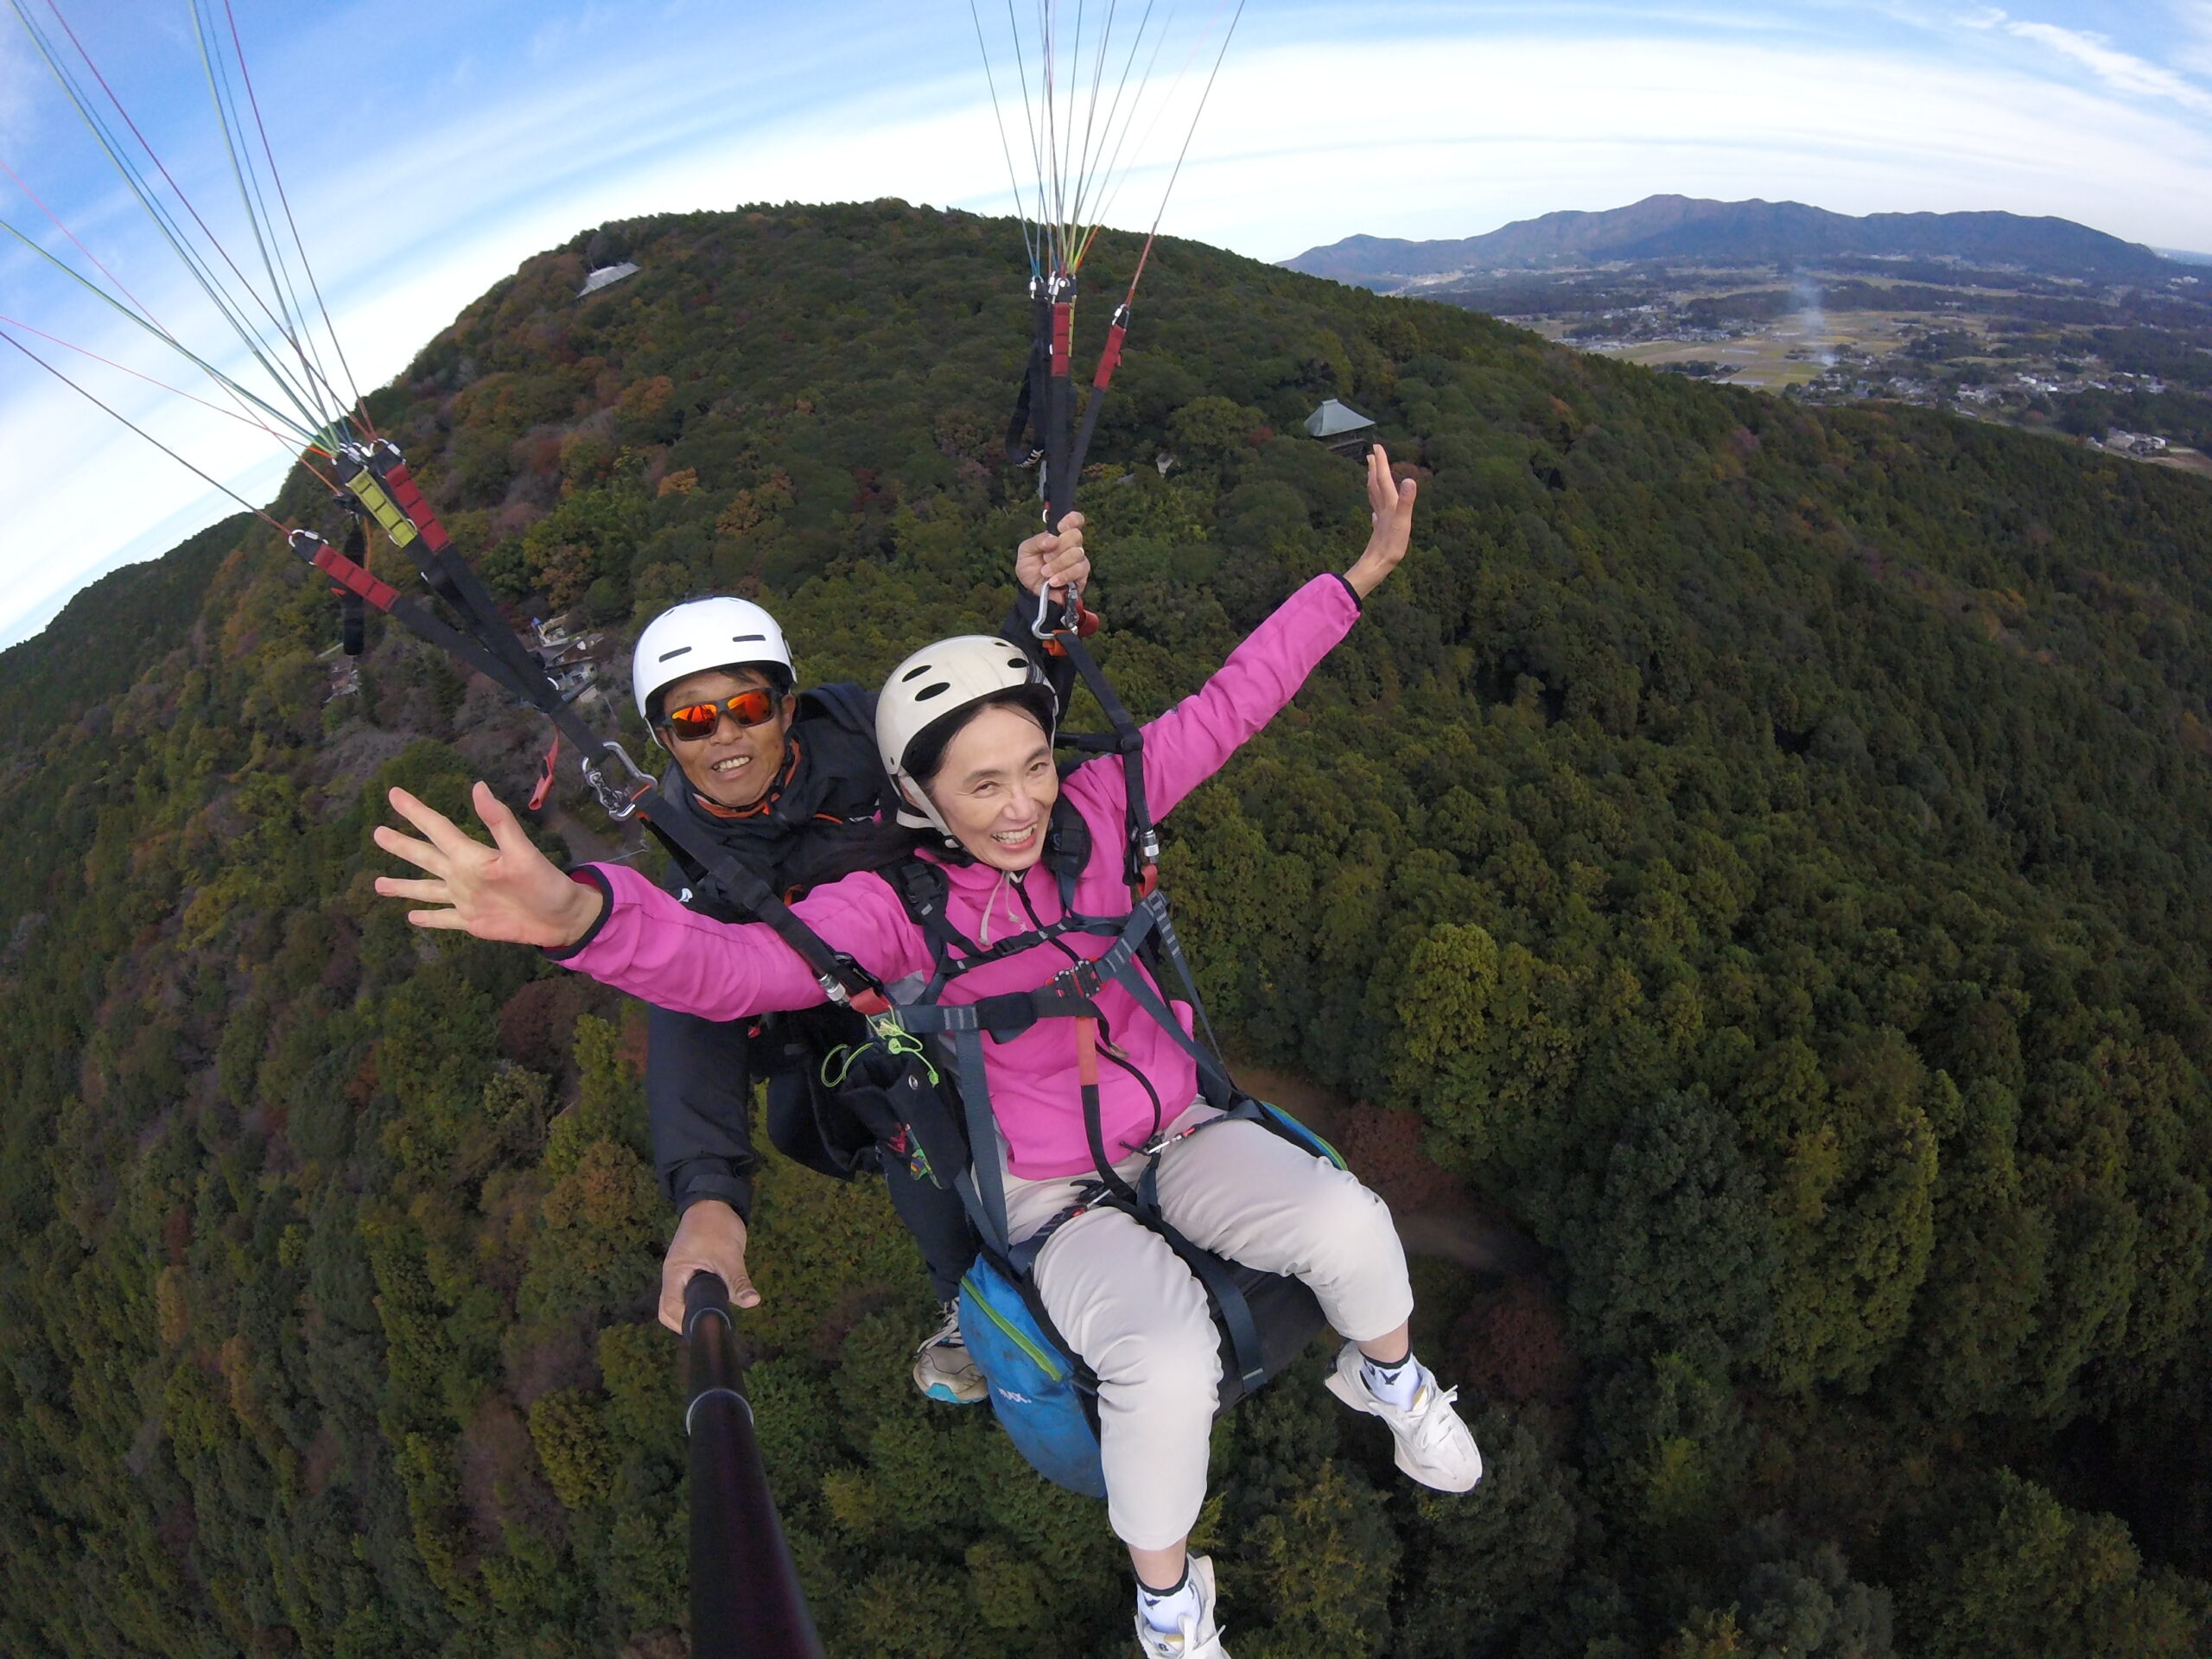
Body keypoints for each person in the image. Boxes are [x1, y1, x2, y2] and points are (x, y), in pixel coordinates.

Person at [372, 449, 1478, 1659]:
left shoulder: (1102, 807)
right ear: (928, 804)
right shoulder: (893, 910)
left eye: (1036, 770)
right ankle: (1170, 1603)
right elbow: (731, 971)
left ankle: (1388, 1378)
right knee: (1158, 1364)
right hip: (1054, 1195)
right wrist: (585, 920)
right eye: (984, 789)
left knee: (1350, 1223)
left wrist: (1358, 575)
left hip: (1180, 1130)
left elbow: (1232, 700)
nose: (1020, 808)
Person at [631, 518, 1090, 1408]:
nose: (724, 736)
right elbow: (691, 1004)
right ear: (664, 740)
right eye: (691, 720)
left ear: (787, 704)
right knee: (915, 1133)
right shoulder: (701, 867)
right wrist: (707, 1198)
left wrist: (1038, 617)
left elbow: (976, 734)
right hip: (867, 1017)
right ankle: (976, 1303)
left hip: (972, 933)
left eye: (747, 707)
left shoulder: (859, 736)